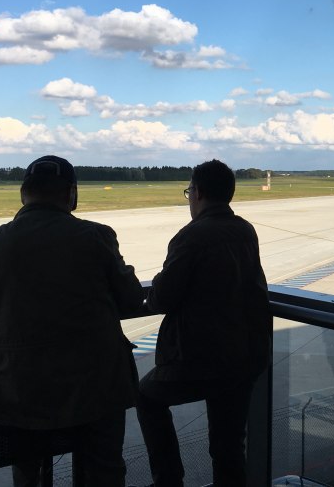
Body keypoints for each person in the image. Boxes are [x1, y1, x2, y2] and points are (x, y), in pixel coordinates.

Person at [0, 155, 143, 487]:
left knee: (27, 468)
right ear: (71, 194)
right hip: (94, 390)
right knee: (105, 468)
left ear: (24, 194)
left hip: (15, 391)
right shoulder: (96, 237)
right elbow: (130, 296)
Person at [137, 159, 271, 487]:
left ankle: (168, 480)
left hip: (201, 359)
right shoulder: (245, 230)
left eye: (189, 192)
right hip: (243, 356)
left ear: (196, 192)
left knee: (146, 397)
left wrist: (155, 284)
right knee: (228, 448)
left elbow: (162, 298)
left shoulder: (191, 236)